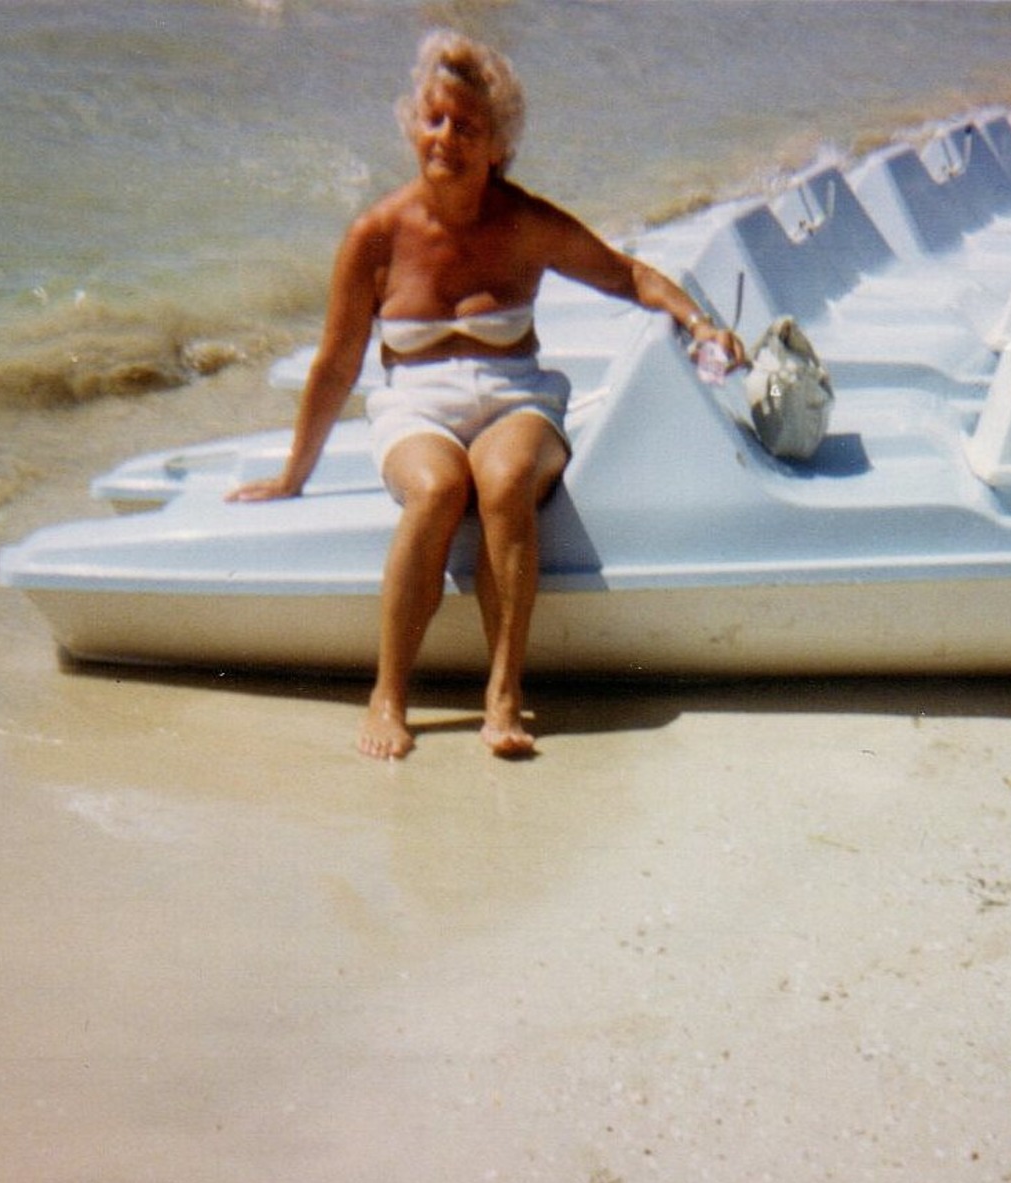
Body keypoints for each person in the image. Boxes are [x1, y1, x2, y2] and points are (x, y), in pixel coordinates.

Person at [229, 30, 744, 759]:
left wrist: (701, 324)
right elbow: (337, 365)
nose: (445, 138)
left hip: (515, 396)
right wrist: (292, 475)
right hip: (414, 405)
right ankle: (388, 694)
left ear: (497, 144)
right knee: (438, 491)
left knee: (501, 482)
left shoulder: (525, 222)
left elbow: (625, 276)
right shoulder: (374, 235)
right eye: (434, 120)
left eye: (467, 126)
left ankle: (503, 695)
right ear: (413, 124)